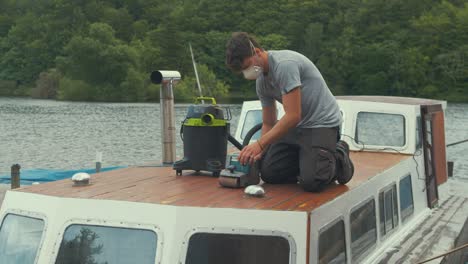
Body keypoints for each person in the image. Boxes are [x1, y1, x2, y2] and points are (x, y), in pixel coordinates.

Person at [225, 32, 353, 192]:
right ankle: (311, 159)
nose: (247, 72)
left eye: (247, 66)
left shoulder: (284, 65)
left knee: (313, 182)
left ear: (257, 52)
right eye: (243, 70)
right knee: (269, 174)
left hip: (321, 123)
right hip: (296, 127)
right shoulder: (261, 83)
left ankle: (339, 155)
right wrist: (260, 151)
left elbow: (293, 115)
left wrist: (259, 144)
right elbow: (268, 122)